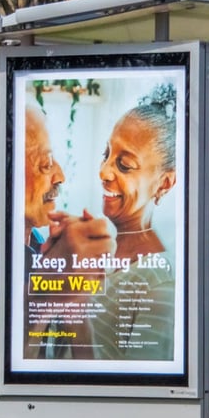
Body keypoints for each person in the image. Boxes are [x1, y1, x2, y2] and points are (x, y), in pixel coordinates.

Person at [22, 104, 114, 358]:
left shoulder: (38, 247)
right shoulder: (14, 260)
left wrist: (75, 301)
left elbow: (85, 369)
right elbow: (18, 363)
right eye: (45, 162)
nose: (59, 176)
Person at [90, 101, 178, 361]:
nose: (103, 172)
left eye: (124, 165)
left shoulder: (159, 282)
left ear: (164, 183)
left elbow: (145, 379)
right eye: (105, 154)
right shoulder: (100, 257)